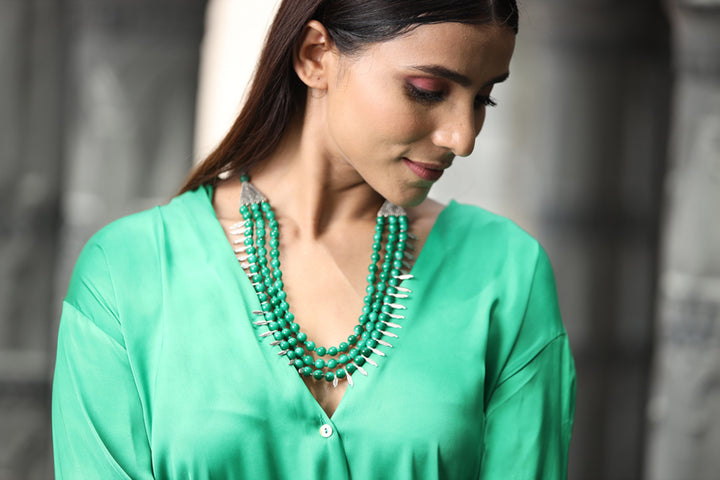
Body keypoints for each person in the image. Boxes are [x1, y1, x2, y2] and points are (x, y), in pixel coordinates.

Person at [52, 0, 576, 478]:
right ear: (315, 56)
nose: (462, 138)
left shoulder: (506, 272)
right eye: (428, 91)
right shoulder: (127, 274)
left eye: (484, 99)